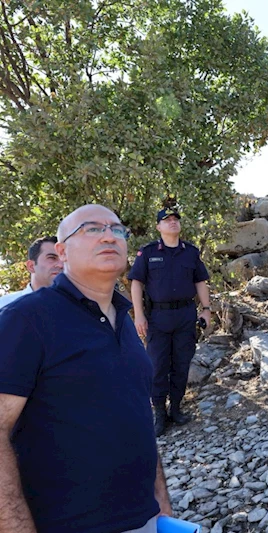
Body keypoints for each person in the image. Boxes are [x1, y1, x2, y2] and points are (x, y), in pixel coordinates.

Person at [0, 204, 172, 533]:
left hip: (145, 521)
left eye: (117, 229)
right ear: (62, 251)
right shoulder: (26, 320)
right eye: (92, 229)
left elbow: (138, 418)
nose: (109, 236)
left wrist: (162, 507)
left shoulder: (124, 320)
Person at [128, 206, 212, 436]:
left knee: (181, 364)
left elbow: (200, 282)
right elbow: (136, 283)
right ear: (158, 227)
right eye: (167, 220)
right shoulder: (148, 252)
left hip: (185, 315)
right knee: (157, 366)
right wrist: (139, 315)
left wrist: (206, 310)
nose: (172, 222)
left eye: (175, 219)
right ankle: (159, 414)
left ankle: (175, 408)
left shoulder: (190, 252)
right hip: (158, 317)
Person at [0, 236, 63, 309]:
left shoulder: (71, 306)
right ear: (31, 266)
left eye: (64, 259)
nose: (61, 265)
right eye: (52, 258)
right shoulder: (5, 306)